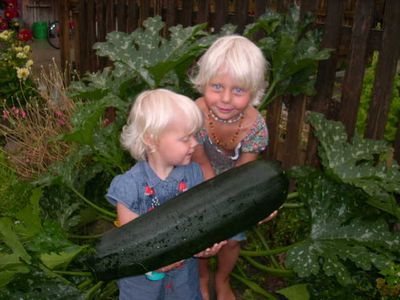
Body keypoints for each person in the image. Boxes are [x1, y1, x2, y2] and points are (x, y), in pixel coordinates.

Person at [106, 89, 225, 300]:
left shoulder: (194, 176)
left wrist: (206, 245)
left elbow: (202, 224)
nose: (195, 144)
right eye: (185, 138)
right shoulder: (129, 188)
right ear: (152, 140)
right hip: (142, 288)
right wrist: (156, 260)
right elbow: (132, 242)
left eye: (194, 136)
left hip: (183, 285)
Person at [190, 35, 277, 300]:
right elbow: (201, 162)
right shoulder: (194, 114)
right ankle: (202, 276)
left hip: (234, 182)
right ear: (203, 82)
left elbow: (243, 174)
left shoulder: (255, 127)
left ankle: (222, 278)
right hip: (198, 176)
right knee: (199, 236)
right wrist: (210, 206)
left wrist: (260, 203)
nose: (226, 98)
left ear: (254, 91)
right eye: (217, 86)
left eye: (238, 90)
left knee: (233, 238)